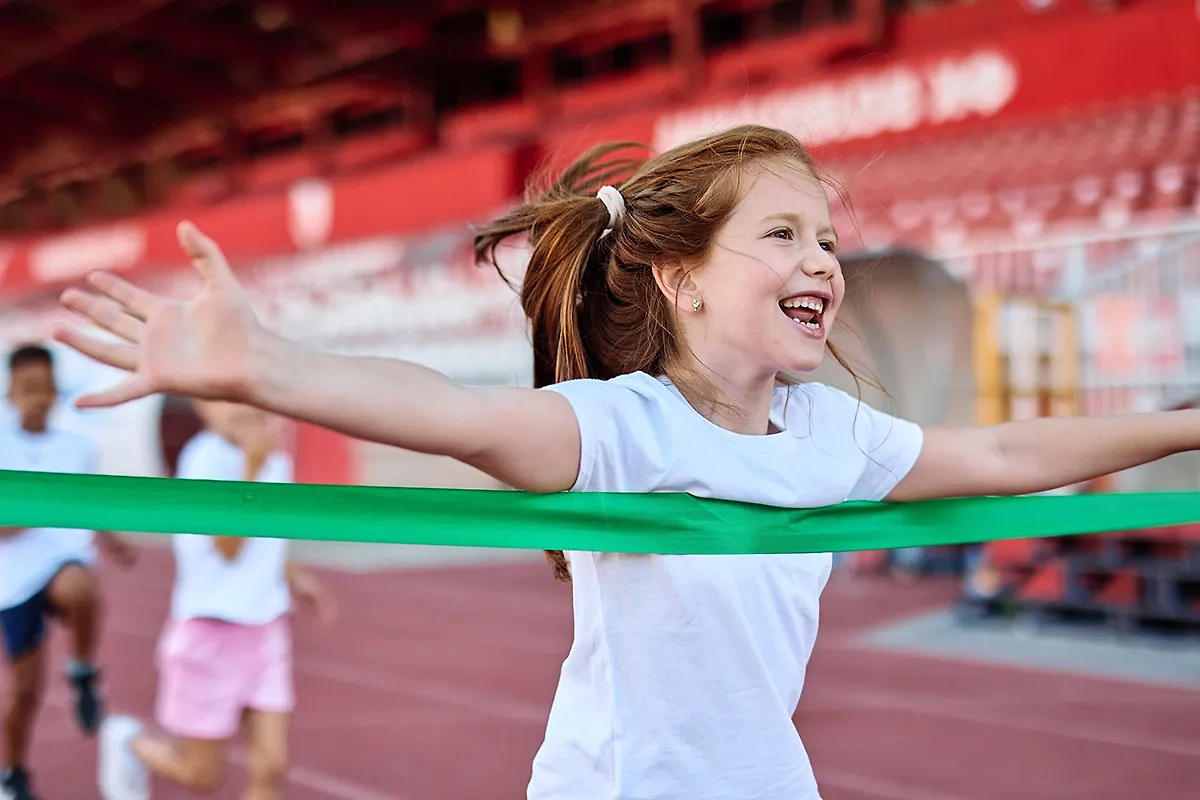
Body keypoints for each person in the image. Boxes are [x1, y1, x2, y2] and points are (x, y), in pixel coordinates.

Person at [53, 124, 1200, 800]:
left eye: (831, 240)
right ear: (683, 276)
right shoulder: (622, 426)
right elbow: (450, 410)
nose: (825, 262)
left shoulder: (830, 433)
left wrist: (1186, 419)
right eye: (785, 234)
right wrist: (266, 367)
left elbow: (1008, 449)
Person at [97, 400, 333, 800]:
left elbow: (267, 533)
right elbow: (227, 546)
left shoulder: (274, 459)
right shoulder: (203, 460)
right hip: (209, 633)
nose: (244, 413)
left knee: (270, 767)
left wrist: (294, 575)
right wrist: (253, 469)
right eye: (228, 404)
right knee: (203, 776)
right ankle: (128, 742)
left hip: (265, 630)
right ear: (204, 409)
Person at [0, 344, 137, 800]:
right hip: (14, 579)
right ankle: (14, 774)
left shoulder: (77, 447)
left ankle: (82, 669)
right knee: (25, 692)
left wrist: (114, 541)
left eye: (45, 388)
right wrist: (35, 508)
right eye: (28, 389)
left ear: (56, 390)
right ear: (11, 392)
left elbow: (88, 504)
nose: (38, 398)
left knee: (79, 585)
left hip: (64, 564)